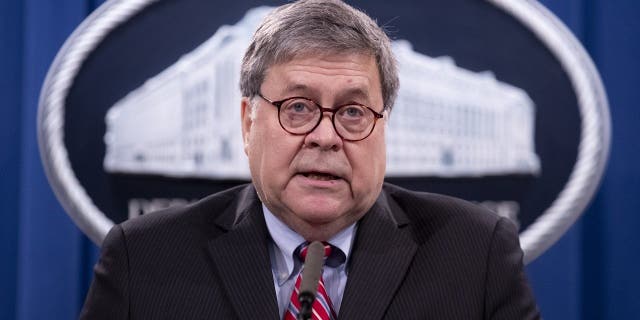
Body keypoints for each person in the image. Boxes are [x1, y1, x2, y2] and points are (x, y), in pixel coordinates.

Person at [80, 0, 540, 319]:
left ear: (383, 127)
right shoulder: (144, 260)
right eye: (298, 108)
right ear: (248, 122)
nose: (325, 137)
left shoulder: (475, 255)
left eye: (353, 112)